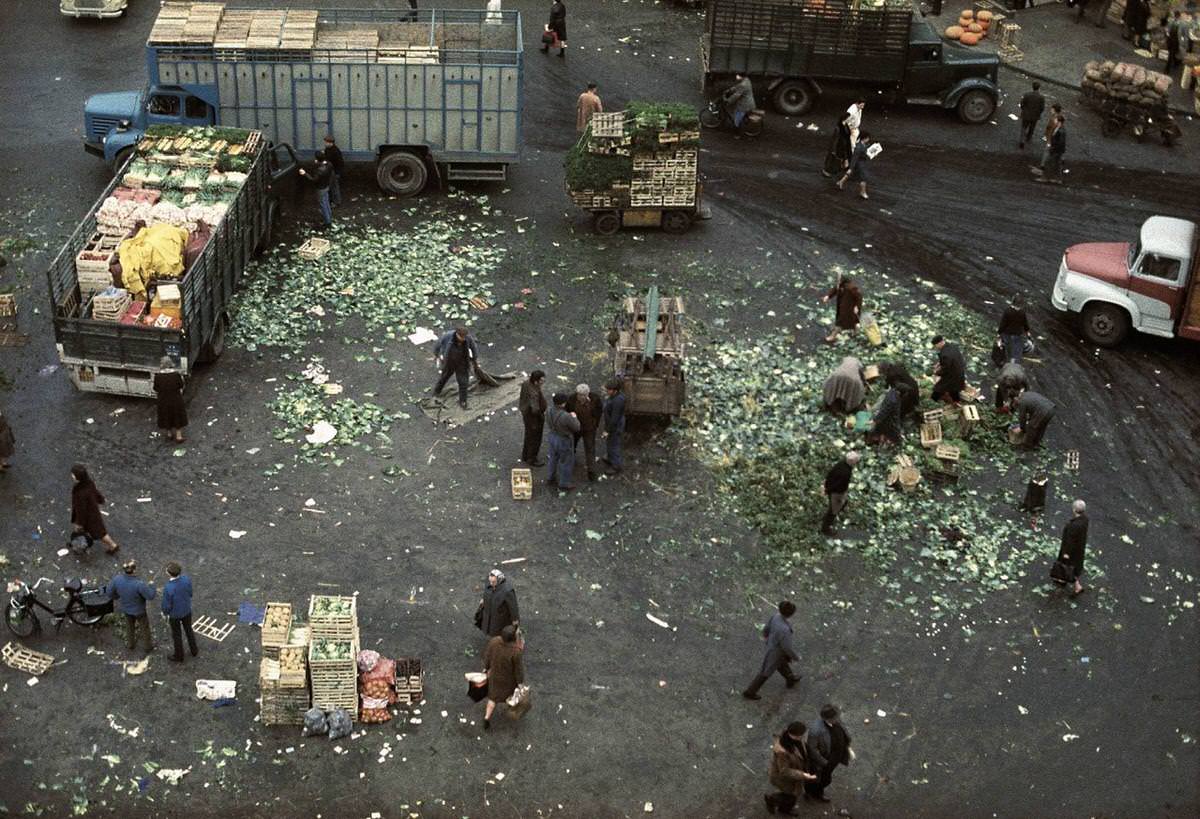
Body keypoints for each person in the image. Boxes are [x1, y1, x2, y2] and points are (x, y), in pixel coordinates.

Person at [742, 601, 800, 700]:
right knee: (766, 671)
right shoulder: (785, 630)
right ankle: (750, 691)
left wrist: (766, 637)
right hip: (777, 651)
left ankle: (790, 678)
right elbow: (787, 647)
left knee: (781, 664)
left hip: (772, 645)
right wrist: (796, 657)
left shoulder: (776, 617)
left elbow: (767, 628)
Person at [765, 721, 819, 815]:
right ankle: (772, 800)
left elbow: (802, 749)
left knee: (791, 795)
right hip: (784, 779)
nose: (802, 737)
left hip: (794, 774)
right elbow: (784, 771)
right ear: (792, 734)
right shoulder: (782, 752)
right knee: (790, 796)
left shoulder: (793, 739)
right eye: (800, 736)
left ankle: (783, 808)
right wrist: (803, 775)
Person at [805, 704, 854, 802]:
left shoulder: (836, 720)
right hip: (826, 759)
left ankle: (817, 792)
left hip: (836, 755)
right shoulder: (816, 731)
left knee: (825, 777)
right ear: (827, 719)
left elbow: (843, 730)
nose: (838, 718)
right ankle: (812, 793)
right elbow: (812, 750)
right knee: (821, 779)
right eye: (835, 717)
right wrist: (824, 763)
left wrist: (847, 745)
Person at [481, 625, 525, 729]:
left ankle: (487, 717)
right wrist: (520, 682)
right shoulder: (516, 651)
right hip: (508, 679)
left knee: (493, 698)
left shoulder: (494, 642)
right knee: (510, 696)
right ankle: (511, 709)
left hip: (495, 676)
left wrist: (486, 668)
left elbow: (488, 656)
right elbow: (518, 670)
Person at [108, 560, 156, 652]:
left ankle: (130, 644)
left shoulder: (117, 579)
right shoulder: (139, 584)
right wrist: (152, 585)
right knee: (144, 628)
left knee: (129, 626)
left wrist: (117, 596)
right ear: (134, 570)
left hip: (126, 609)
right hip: (139, 611)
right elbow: (150, 596)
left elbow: (109, 593)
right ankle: (148, 646)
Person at [71, 464, 119, 554]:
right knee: (99, 531)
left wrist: (80, 523)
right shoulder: (89, 483)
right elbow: (95, 492)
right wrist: (100, 499)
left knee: (99, 533)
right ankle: (77, 541)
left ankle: (112, 545)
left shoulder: (80, 493)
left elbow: (81, 510)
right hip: (93, 512)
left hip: (88, 517)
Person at [433, 327, 478, 410]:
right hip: (449, 362)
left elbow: (473, 347)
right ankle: (437, 391)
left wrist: (474, 359)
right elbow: (438, 344)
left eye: (464, 337)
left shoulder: (468, 338)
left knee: (463, 382)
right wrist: (436, 355)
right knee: (444, 377)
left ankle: (463, 401)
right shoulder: (447, 336)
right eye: (461, 337)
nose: (463, 339)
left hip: (462, 362)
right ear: (457, 334)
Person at [565, 383, 603, 482]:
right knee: (572, 445)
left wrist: (595, 424)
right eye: (579, 395)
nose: (581, 397)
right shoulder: (571, 399)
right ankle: (570, 463)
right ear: (576, 394)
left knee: (590, 449)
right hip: (575, 428)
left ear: (588, 394)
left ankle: (591, 471)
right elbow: (567, 411)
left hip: (589, 429)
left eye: (584, 395)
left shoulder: (595, 399)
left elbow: (599, 411)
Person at [161, 561, 198, 662]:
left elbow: (167, 605)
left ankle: (179, 655)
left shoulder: (168, 587)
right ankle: (194, 650)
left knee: (177, 635)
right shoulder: (186, 579)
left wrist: (165, 613)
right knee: (189, 630)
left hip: (175, 614)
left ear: (169, 573)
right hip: (186, 610)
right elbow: (190, 593)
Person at [545, 392, 580, 491]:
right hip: (563, 439)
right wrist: (574, 417)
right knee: (566, 461)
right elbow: (577, 428)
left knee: (553, 458)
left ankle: (550, 477)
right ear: (563, 404)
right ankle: (564, 483)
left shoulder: (548, 410)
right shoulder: (566, 416)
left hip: (552, 436)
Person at [821, 451, 860, 536]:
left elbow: (830, 473)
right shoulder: (846, 473)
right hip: (837, 493)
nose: (856, 463)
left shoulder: (841, 464)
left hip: (836, 490)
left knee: (843, 503)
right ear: (851, 461)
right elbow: (837, 485)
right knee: (833, 511)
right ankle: (826, 528)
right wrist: (827, 490)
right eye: (856, 461)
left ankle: (830, 517)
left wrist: (826, 484)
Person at [153, 356, 188, 443]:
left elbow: (155, 388)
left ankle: (169, 434)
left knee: (166, 415)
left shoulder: (158, 376)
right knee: (177, 416)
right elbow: (181, 385)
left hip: (163, 400)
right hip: (175, 399)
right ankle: (179, 436)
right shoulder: (176, 375)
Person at [478, 569, 520, 637]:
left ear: (499, 580)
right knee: (490, 629)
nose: (491, 584)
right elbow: (487, 592)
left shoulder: (507, 591)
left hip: (500, 618)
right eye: (490, 581)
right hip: (489, 613)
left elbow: (513, 607)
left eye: (493, 582)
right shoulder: (489, 583)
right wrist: (484, 599)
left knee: (500, 633)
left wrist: (515, 620)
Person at [1060, 499, 1089, 595]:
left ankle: (1077, 586)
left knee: (1069, 567)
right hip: (1079, 549)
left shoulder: (1074, 526)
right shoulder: (1085, 520)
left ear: (1074, 510)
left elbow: (1070, 541)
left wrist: (1066, 553)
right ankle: (1063, 579)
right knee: (1073, 567)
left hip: (1072, 551)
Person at [518, 370, 548, 466]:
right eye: (542, 381)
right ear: (536, 381)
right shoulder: (534, 393)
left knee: (528, 435)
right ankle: (532, 458)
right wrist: (541, 415)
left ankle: (525, 455)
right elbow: (535, 409)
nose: (543, 382)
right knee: (535, 438)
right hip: (533, 418)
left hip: (525, 413)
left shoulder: (526, 383)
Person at [821, 275, 862, 342]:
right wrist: (828, 296)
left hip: (849, 309)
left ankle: (832, 336)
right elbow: (835, 290)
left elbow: (859, 297)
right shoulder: (840, 286)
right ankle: (856, 329)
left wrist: (857, 306)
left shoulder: (851, 288)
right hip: (842, 306)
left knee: (840, 323)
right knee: (853, 321)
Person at [297, 151, 333, 227]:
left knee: (323, 205)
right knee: (326, 202)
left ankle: (327, 222)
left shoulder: (320, 170)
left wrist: (304, 174)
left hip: (320, 188)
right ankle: (329, 217)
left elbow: (313, 180)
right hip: (326, 186)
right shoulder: (329, 165)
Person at [835, 131, 873, 200]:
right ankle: (863, 192)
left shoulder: (864, 145)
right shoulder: (858, 147)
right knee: (863, 178)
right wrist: (851, 168)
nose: (868, 139)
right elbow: (854, 158)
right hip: (859, 165)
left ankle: (840, 182)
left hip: (861, 163)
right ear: (865, 138)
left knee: (851, 174)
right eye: (868, 138)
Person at [930, 335, 966, 403]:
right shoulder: (951, 346)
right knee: (954, 389)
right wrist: (939, 363)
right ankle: (957, 401)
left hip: (952, 375)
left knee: (938, 388)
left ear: (939, 343)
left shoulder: (945, 354)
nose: (936, 347)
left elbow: (946, 369)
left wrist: (936, 372)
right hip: (960, 371)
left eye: (935, 346)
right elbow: (950, 360)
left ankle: (933, 401)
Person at [601, 378, 626, 475]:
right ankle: (609, 457)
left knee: (613, 445)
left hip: (615, 426)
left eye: (609, 390)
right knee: (610, 442)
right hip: (612, 423)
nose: (607, 391)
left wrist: (607, 430)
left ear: (615, 390)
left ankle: (616, 466)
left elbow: (614, 419)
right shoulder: (613, 397)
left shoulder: (618, 401)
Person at [1031, 103, 1063, 177]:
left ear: (1054, 109)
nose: (1050, 110)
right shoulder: (1059, 117)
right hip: (1053, 138)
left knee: (1047, 151)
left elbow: (1050, 128)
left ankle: (1043, 166)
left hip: (1051, 138)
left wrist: (1047, 136)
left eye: (1052, 109)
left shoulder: (1054, 118)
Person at [997, 294, 1031, 363]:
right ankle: (1014, 361)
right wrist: (1028, 332)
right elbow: (1025, 324)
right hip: (1018, 334)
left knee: (1007, 349)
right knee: (1016, 350)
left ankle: (1007, 362)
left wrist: (999, 334)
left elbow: (1003, 324)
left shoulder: (1007, 312)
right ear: (1020, 304)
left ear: (1012, 302)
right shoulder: (1022, 313)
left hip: (1007, 334)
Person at [822, 109, 854, 178]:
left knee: (841, 159)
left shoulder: (846, 126)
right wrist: (833, 149)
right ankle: (828, 171)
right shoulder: (839, 128)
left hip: (844, 145)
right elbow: (836, 139)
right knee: (834, 160)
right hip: (839, 146)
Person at [1036, 114, 1066, 185]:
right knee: (1057, 165)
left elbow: (1060, 142)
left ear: (1059, 121)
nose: (1054, 121)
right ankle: (1057, 179)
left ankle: (1045, 178)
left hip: (1055, 150)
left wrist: (1052, 147)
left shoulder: (1061, 131)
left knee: (1048, 162)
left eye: (1056, 120)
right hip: (1058, 150)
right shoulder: (1059, 129)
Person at [1017, 82, 1045, 149]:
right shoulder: (1041, 97)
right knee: (1032, 128)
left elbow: (1022, 103)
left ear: (1032, 87)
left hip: (1026, 114)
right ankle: (1028, 138)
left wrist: (1023, 110)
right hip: (1035, 116)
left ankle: (1022, 141)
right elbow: (1042, 108)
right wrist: (1039, 113)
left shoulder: (1027, 95)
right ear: (1039, 88)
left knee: (1024, 127)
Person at [322, 135, 345, 207]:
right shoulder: (330, 149)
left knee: (334, 188)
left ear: (330, 143)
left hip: (334, 171)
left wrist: (337, 173)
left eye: (326, 142)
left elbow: (340, 163)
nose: (325, 143)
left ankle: (336, 202)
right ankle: (333, 201)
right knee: (332, 187)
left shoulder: (335, 151)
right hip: (331, 171)